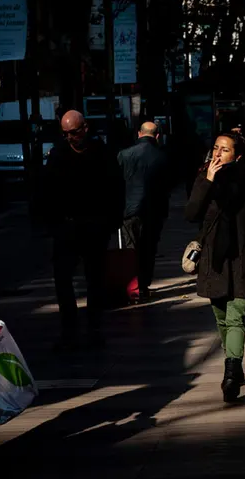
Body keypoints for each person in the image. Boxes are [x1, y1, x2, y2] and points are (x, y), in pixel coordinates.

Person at [185, 131, 245, 403]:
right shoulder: (205, 178)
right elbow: (191, 214)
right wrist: (207, 181)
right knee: (221, 316)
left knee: (236, 316)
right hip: (215, 260)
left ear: (238, 155)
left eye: (225, 149)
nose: (218, 154)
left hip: (241, 258)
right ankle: (233, 360)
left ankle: (231, 372)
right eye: (215, 148)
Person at [41, 110, 123, 350]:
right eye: (65, 133)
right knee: (63, 278)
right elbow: (46, 190)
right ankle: (70, 328)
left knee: (94, 278)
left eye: (73, 132)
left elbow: (116, 188)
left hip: (94, 226)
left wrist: (111, 221)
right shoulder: (58, 154)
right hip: (67, 227)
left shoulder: (102, 153)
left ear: (85, 128)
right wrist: (52, 222)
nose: (69, 137)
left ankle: (94, 327)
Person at [118, 121, 171, 303]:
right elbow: (167, 187)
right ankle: (144, 285)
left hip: (129, 210)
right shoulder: (163, 157)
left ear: (139, 134)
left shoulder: (124, 155)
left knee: (130, 249)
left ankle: (132, 286)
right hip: (153, 211)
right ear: (157, 136)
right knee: (148, 249)